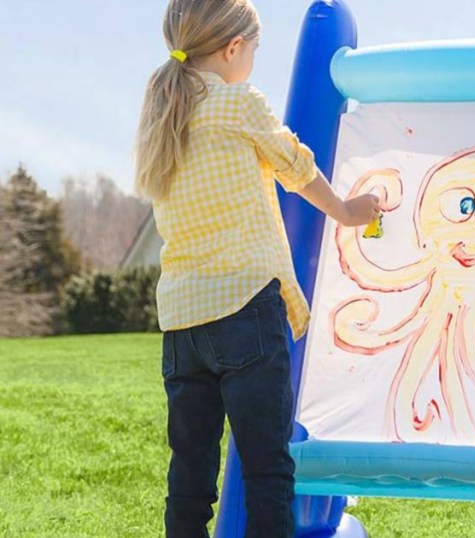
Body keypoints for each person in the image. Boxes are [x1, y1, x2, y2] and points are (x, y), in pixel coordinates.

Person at [134, 1, 380, 536]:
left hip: (181, 323)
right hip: (244, 307)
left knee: (190, 480)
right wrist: (346, 210)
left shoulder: (162, 113)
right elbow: (296, 165)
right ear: (232, 49)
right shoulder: (238, 103)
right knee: (268, 470)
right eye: (254, 50)